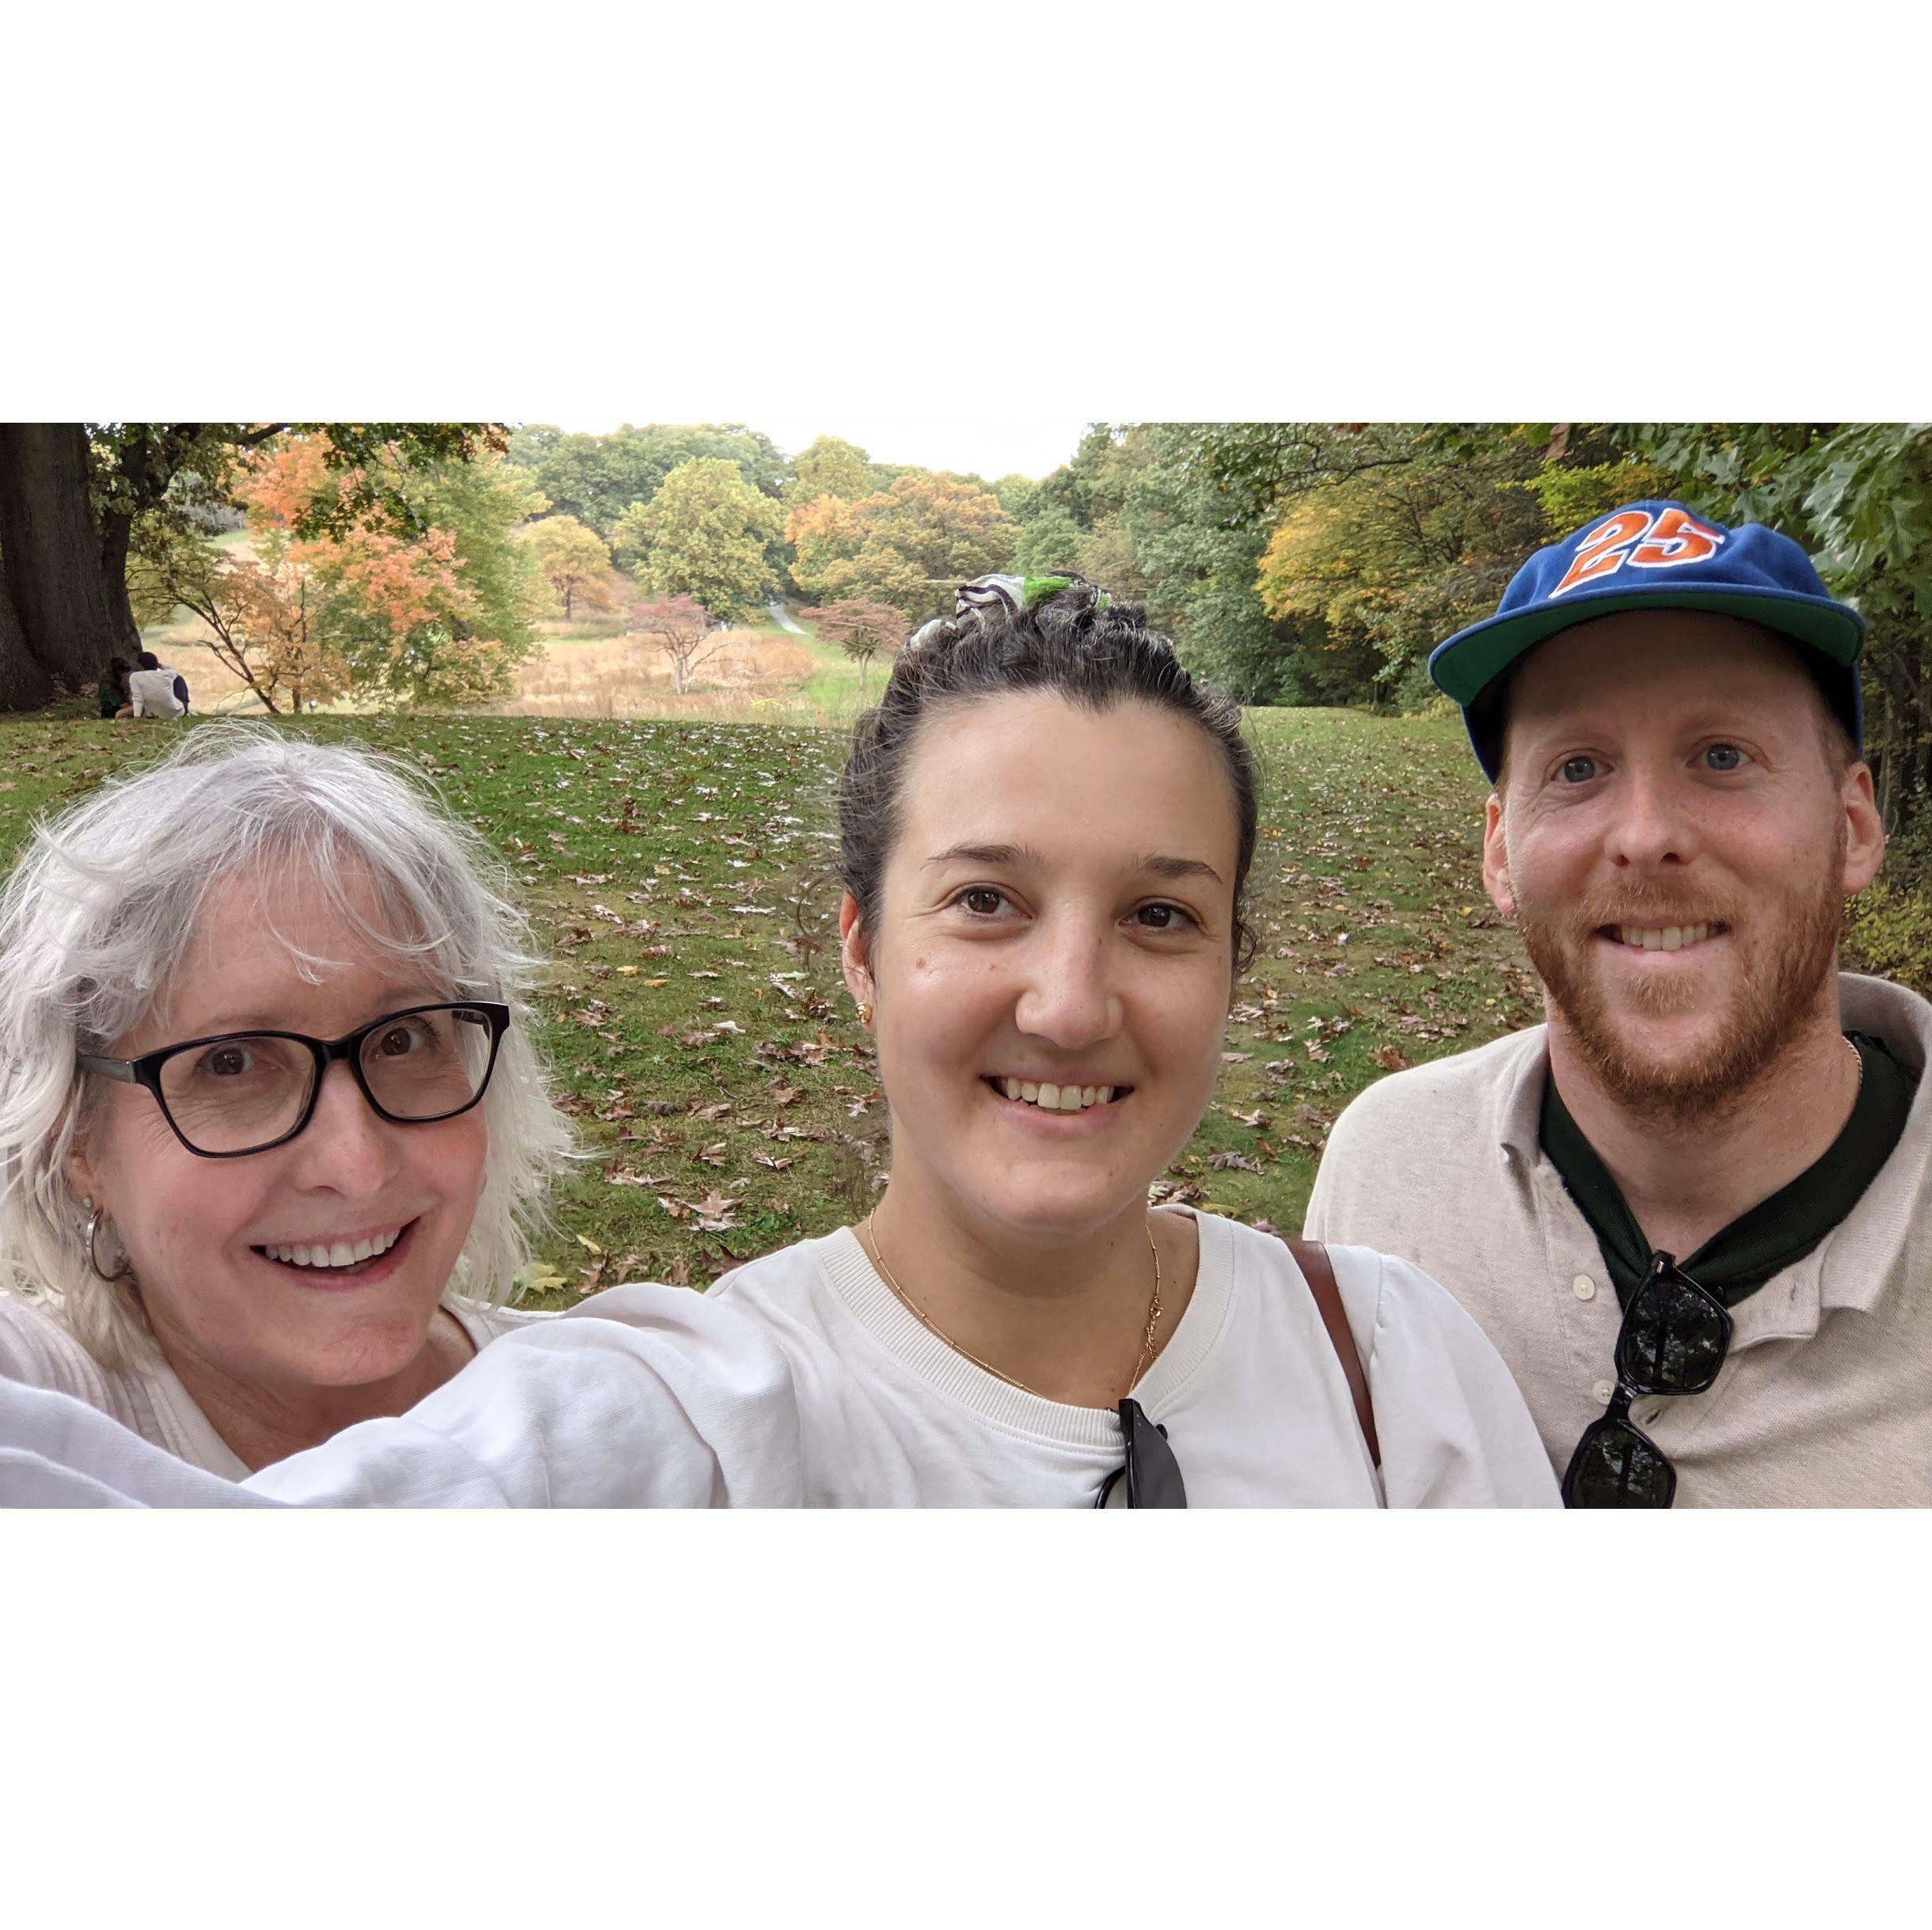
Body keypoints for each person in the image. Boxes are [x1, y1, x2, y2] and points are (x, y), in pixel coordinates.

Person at [3, 582, 1557, 1507]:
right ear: (862, 951)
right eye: (985, 900)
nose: (1071, 1001)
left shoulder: (1392, 1364)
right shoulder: (705, 1409)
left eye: (1159, 915)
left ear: (1232, 967)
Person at [1305, 500, 1930, 1508]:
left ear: (1853, 826)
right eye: (1579, 768)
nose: (1644, 834)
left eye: (1722, 756)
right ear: (1500, 853)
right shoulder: (1386, 1174)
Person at [0, 725, 577, 1474]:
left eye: (402, 1040)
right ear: (77, 1138)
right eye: (231, 1063)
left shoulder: (613, 1419)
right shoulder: (47, 1422)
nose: (357, 1165)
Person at [123, 651, 187, 718]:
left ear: (140, 665)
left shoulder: (135, 677)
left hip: (155, 714)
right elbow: (174, 671)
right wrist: (160, 666)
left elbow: (137, 699)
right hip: (177, 713)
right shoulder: (166, 674)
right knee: (179, 679)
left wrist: (137, 717)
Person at [97, 656, 132, 721]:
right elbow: (121, 704)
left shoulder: (116, 684)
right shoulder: (108, 685)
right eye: (124, 672)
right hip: (112, 713)